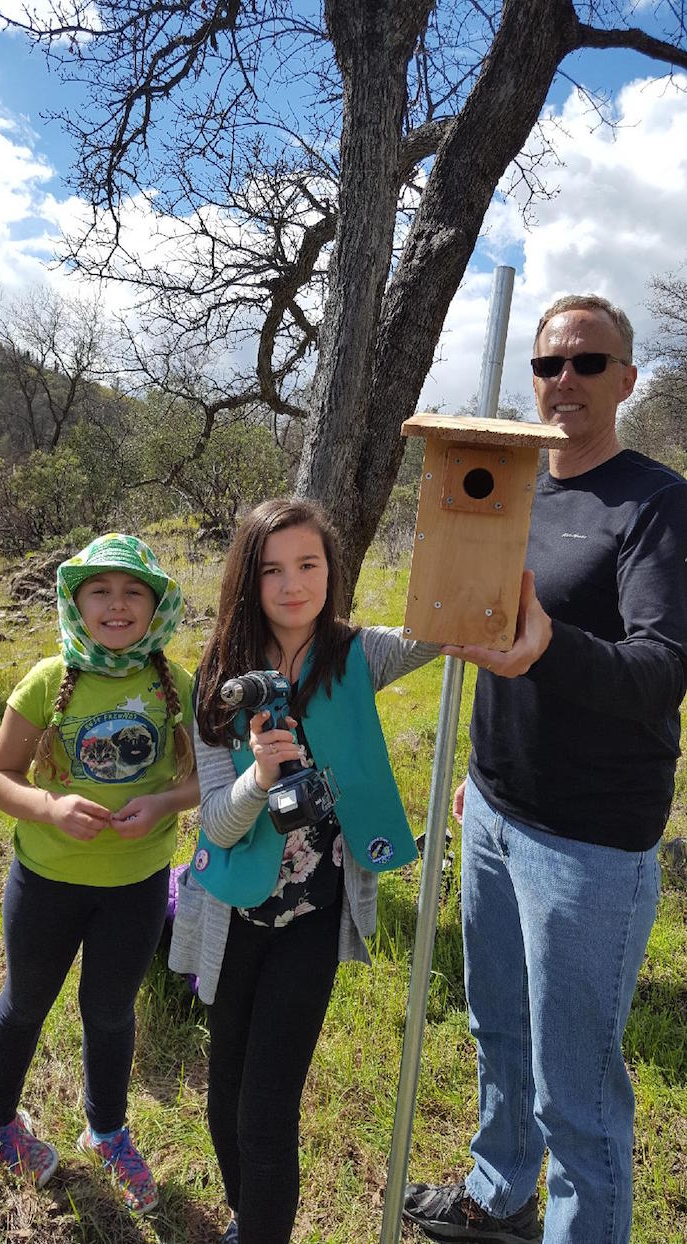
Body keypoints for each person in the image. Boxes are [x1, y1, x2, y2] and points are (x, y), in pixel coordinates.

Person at [403, 294, 687, 1243]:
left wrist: (548, 649)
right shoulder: (516, 482)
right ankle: (501, 1195)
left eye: (588, 364)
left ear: (626, 380)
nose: (564, 381)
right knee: (499, 1036)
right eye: (548, 365)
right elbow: (478, 619)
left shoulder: (657, 505)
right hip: (492, 810)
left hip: (589, 845)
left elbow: (659, 672)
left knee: (577, 1088)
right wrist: (479, 777)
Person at [169, 496, 458, 1244]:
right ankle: (248, 1220)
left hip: (311, 920)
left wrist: (477, 536)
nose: (293, 585)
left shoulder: (358, 655)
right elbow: (217, 821)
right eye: (272, 570)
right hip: (235, 913)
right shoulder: (221, 676)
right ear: (247, 581)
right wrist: (258, 779)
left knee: (266, 1105)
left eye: (309, 565)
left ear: (333, 569)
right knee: (223, 1092)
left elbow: (443, 625)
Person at [0, 533, 199, 1214]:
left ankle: (106, 1129)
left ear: (156, 606)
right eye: (100, 591)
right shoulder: (47, 681)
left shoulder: (177, 687)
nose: (117, 604)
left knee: (110, 1013)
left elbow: (201, 781)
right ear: (75, 604)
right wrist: (48, 807)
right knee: (25, 1002)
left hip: (136, 888)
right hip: (45, 882)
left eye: (133, 591)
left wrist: (163, 802)